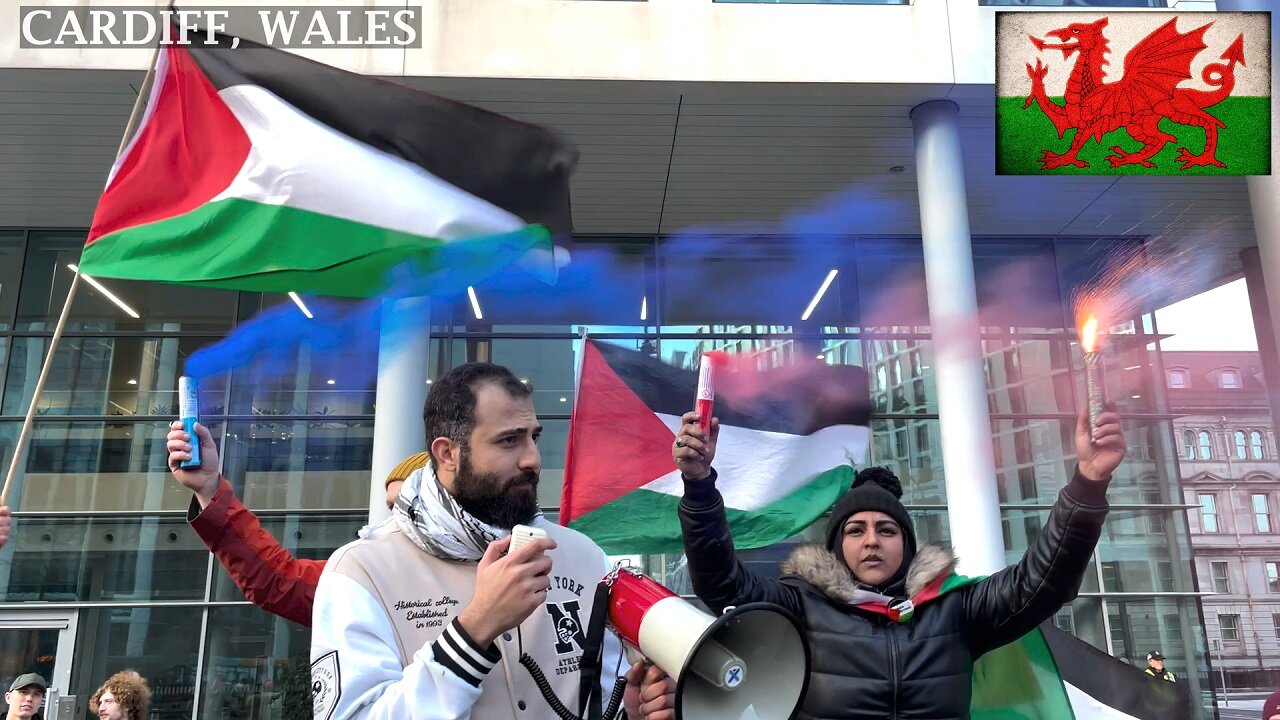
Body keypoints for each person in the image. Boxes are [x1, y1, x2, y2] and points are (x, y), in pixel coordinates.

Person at [675, 404, 1126, 720]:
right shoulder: (799, 607)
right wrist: (698, 487)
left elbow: (1043, 581)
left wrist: (1088, 484)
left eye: (886, 530)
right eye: (855, 530)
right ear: (837, 546)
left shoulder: (956, 607)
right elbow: (722, 585)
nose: (871, 541)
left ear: (906, 545)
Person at [311, 362, 676, 720]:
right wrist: (475, 628)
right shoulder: (361, 572)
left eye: (534, 437)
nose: (532, 459)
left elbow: (605, 689)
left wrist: (629, 710)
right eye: (509, 441)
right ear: (448, 453)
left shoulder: (584, 556)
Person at [167, 421, 429, 627]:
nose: (397, 519)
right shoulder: (371, 578)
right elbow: (277, 580)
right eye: (393, 507)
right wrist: (209, 488)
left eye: (409, 505)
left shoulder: (469, 574)